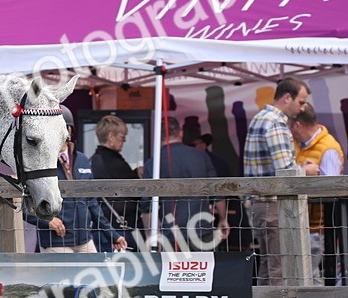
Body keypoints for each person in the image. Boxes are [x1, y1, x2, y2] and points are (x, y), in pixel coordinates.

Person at [242, 77, 318, 298]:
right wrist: (306, 170)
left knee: (268, 266)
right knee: (279, 267)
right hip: (273, 204)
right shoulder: (275, 122)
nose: (303, 108)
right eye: (301, 101)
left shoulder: (260, 118)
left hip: (259, 203)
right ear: (287, 97)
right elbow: (284, 170)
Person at [24, 106, 123, 255]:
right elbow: (25, 207)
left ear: (70, 130)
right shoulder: (40, 161)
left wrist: (113, 235)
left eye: (63, 127)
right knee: (63, 279)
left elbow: (92, 204)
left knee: (94, 276)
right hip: (55, 241)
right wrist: (48, 221)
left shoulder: (82, 160)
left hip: (84, 240)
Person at [291, 106, 345, 298]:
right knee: (304, 278)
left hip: (316, 227)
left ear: (297, 125)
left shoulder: (328, 148)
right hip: (301, 226)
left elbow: (330, 191)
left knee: (312, 279)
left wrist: (304, 179)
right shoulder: (302, 147)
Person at [140, 117, 228, 250]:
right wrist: (223, 218)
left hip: (169, 233)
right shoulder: (201, 156)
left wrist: (149, 235)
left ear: (159, 135)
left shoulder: (153, 163)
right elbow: (216, 192)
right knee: (204, 270)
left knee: (171, 271)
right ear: (181, 133)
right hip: (201, 229)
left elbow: (147, 205)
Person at [90, 114, 139, 250]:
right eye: (122, 137)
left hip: (100, 227)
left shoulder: (91, 161)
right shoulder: (116, 164)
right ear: (111, 137)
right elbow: (135, 192)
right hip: (120, 229)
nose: (124, 141)